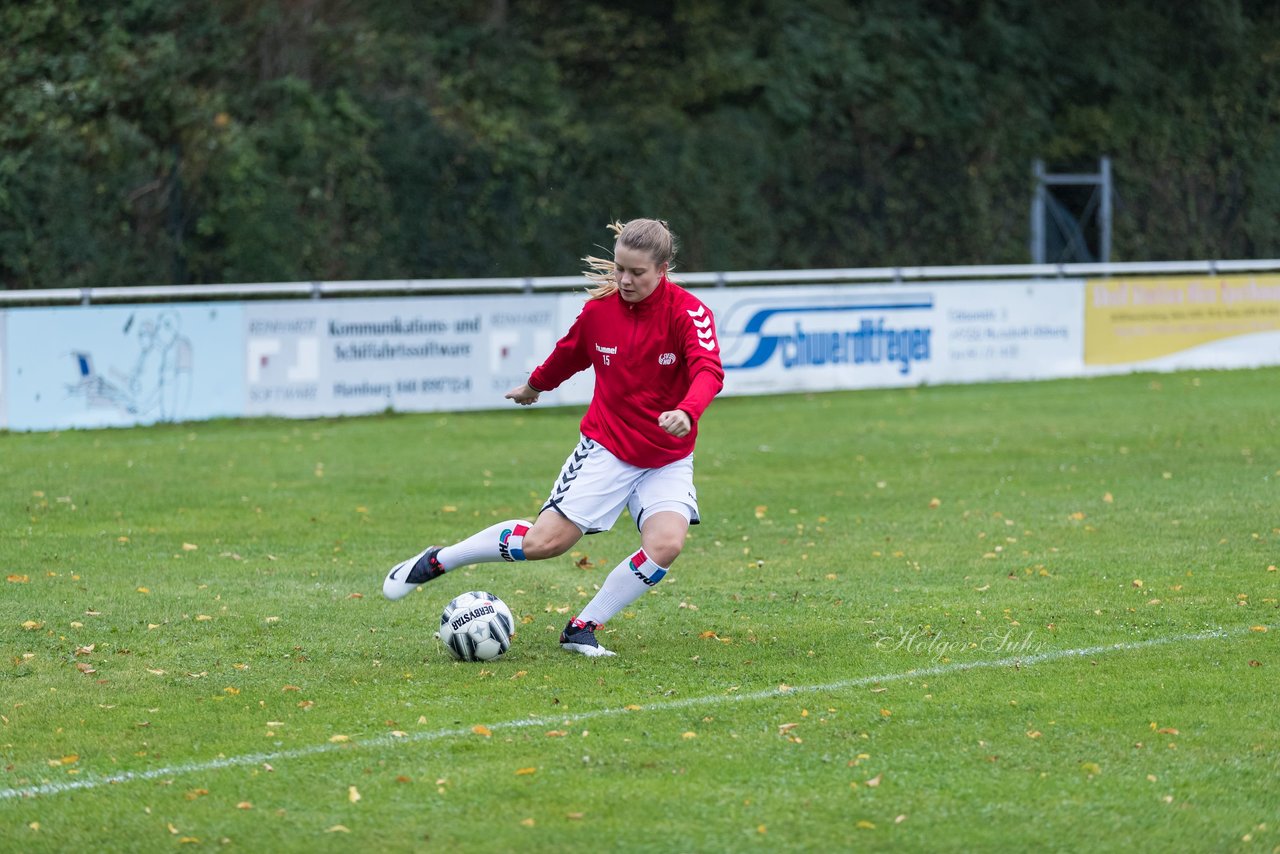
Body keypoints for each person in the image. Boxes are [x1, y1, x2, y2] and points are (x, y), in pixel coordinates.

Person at [383, 218, 724, 657]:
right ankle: (439, 559)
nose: (623, 280)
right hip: (608, 448)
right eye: (620, 268)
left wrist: (686, 410)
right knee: (544, 544)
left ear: (663, 268)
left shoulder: (688, 313)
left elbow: (708, 371)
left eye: (637, 272)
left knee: (666, 545)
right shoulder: (600, 313)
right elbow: (570, 353)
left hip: (666, 457)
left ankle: (582, 628)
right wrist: (535, 386)